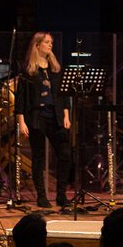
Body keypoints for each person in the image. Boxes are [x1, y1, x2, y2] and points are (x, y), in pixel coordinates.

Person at [15, 31, 73, 210]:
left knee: (65, 153)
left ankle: (61, 196)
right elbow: (21, 99)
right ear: (37, 45)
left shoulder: (55, 69)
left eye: (51, 42)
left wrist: (66, 115)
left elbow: (62, 95)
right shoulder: (28, 71)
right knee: (38, 158)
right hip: (37, 117)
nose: (50, 45)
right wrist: (21, 121)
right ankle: (42, 196)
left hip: (55, 116)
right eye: (47, 42)